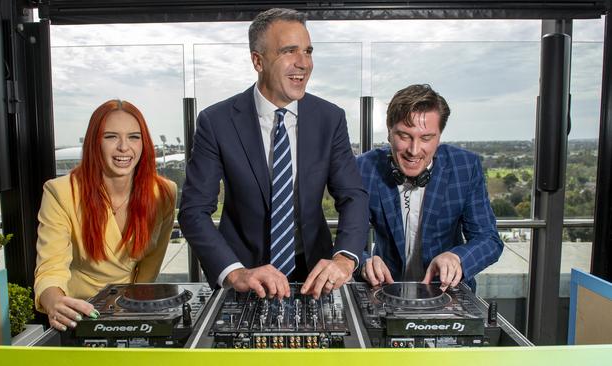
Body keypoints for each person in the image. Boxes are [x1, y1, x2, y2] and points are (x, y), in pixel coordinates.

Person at [178, 8, 368, 299]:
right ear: (258, 60)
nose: (303, 63)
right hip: (245, 279)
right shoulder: (216, 122)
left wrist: (344, 258)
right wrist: (234, 272)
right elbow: (193, 211)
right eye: (289, 51)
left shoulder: (330, 118)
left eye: (307, 51)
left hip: (315, 281)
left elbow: (352, 195)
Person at [34, 100, 177, 331]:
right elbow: (50, 268)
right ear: (94, 143)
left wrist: (137, 316)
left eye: (134, 137)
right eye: (111, 137)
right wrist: (55, 303)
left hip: (132, 309)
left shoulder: (164, 192)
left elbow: (150, 267)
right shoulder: (59, 192)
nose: (124, 147)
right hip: (78, 313)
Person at [356, 84, 503, 291]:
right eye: (404, 136)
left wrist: (457, 258)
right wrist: (364, 262)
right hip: (385, 291)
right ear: (389, 132)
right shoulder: (364, 168)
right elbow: (349, 239)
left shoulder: (465, 166)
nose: (414, 151)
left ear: (439, 136)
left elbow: (489, 240)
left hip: (446, 293)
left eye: (426, 138)